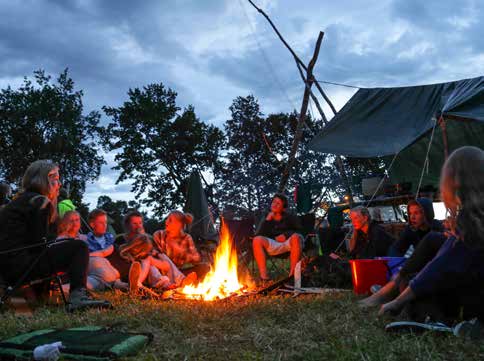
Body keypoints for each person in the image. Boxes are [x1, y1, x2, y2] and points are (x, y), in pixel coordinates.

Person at [366, 147, 484, 324]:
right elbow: (400, 249)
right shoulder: (472, 215)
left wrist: (399, 300)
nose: (413, 216)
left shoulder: (472, 219)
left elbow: (443, 264)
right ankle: (393, 287)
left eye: (417, 212)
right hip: (471, 285)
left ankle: (435, 320)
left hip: (474, 301)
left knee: (412, 283)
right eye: (411, 213)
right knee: (430, 250)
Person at [0, 160, 109, 310]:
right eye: (56, 179)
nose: (60, 184)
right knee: (79, 247)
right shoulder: (40, 201)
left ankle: (34, 296)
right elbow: (39, 244)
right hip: (20, 267)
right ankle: (78, 297)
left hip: (6, 267)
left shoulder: (19, 202)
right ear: (46, 180)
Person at [252, 193, 303, 281]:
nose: (274, 204)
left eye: (278, 203)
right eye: (274, 202)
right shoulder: (266, 217)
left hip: (289, 243)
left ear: (283, 208)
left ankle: (292, 276)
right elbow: (259, 234)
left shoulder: (290, 217)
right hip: (274, 244)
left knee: (295, 237)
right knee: (257, 240)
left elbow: (301, 231)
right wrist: (267, 221)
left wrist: (286, 235)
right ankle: (264, 278)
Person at [85, 209, 133, 292]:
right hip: (100, 268)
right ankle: (124, 285)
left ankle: (127, 283)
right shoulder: (87, 239)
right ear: (92, 225)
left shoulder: (110, 237)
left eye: (105, 222)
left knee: (116, 251)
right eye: (101, 223)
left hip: (115, 265)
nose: (105, 225)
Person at [152, 211, 208, 281]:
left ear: (179, 225)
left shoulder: (186, 237)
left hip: (181, 271)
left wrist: (181, 252)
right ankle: (179, 281)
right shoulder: (159, 235)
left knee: (205, 267)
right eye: (167, 219)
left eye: (170, 220)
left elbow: (196, 258)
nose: (166, 222)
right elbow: (157, 255)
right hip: (164, 271)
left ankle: (184, 281)